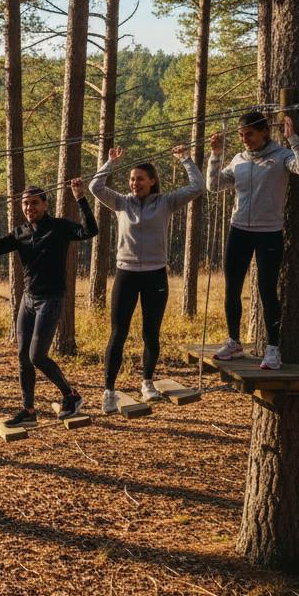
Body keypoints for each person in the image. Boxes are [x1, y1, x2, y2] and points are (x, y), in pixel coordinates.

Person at [89, 145, 205, 413]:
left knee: (150, 333)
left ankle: (147, 383)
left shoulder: (166, 202)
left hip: (155, 275)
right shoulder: (121, 202)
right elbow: (96, 187)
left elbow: (197, 186)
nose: (134, 183)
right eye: (131, 179)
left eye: (140, 179)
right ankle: (109, 391)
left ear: (152, 181)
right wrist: (110, 163)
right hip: (126, 275)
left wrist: (186, 159)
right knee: (118, 333)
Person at [0, 180, 95, 427]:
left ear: (45, 204)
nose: (29, 207)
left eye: (34, 203)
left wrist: (80, 198)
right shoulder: (21, 232)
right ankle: (28, 410)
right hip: (28, 300)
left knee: (37, 356)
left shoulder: (59, 227)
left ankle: (71, 396)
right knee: (23, 356)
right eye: (25, 204)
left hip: (51, 299)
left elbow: (90, 231)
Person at [207, 111, 299, 370]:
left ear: (264, 131)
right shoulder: (239, 160)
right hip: (239, 230)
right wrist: (216, 155)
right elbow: (214, 185)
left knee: (267, 290)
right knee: (232, 288)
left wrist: (294, 140)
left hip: (269, 232)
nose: (245, 140)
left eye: (250, 135)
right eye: (242, 135)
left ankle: (273, 349)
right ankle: (234, 341)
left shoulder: (281, 156)